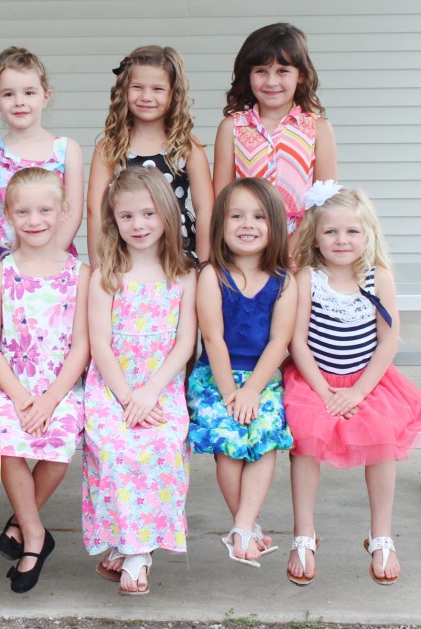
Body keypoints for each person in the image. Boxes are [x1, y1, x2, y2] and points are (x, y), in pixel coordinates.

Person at [283, 183, 421, 587]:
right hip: (315, 381)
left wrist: (359, 391)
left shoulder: (380, 278)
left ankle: (381, 535)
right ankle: (304, 534)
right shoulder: (308, 278)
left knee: (380, 435)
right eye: (331, 232)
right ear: (315, 235)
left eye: (352, 231)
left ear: (368, 235)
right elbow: (297, 341)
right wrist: (324, 393)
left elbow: (389, 339)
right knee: (305, 439)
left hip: (367, 382)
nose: (342, 240)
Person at [82, 166, 196, 596]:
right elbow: (101, 345)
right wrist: (127, 395)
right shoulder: (106, 274)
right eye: (127, 216)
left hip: (160, 385)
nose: (139, 225)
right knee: (114, 448)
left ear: (166, 215)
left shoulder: (184, 273)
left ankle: (136, 552)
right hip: (113, 386)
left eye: (148, 214)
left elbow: (185, 342)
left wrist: (150, 393)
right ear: (114, 220)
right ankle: (134, 551)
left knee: (163, 445)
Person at [0, 168, 89, 593]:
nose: (34, 219)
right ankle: (34, 533)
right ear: (6, 214)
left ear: (63, 213)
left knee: (59, 444)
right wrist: (23, 398)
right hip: (13, 384)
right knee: (6, 440)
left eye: (45, 209)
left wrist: (49, 399)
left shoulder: (80, 274)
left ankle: (18, 525)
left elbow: (82, 345)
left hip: (60, 385)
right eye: (23, 211)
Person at [187, 179, 296, 567]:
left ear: (276, 226)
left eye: (259, 216)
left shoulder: (284, 281)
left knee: (264, 436)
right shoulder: (211, 275)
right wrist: (232, 393)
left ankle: (242, 526)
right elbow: (213, 339)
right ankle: (245, 529)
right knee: (227, 437)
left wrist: (251, 391)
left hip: (262, 377)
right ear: (220, 225)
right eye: (236, 216)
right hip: (215, 377)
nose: (247, 224)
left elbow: (279, 343)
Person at [212, 23, 337, 254]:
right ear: (248, 75)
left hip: (301, 246)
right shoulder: (232, 128)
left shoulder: (318, 128)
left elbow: (324, 200)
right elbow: (222, 200)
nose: (271, 82)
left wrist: (292, 250)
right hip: (245, 242)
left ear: (300, 75)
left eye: (282, 71)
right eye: (261, 71)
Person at [86, 46, 212, 265]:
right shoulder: (110, 147)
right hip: (125, 255)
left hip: (178, 254)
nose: (146, 96)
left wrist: (205, 265)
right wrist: (99, 267)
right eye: (137, 87)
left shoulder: (187, 146)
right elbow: (95, 212)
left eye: (158, 89)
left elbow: (206, 210)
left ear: (173, 94)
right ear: (124, 90)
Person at [0, 46, 84, 265]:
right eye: (9, 94)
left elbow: (73, 212)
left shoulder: (67, 151)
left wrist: (45, 258)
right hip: (1, 265)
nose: (19, 101)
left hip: (54, 264)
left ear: (45, 97)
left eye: (29, 92)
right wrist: (4, 258)